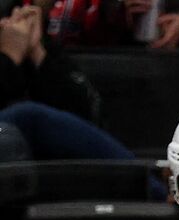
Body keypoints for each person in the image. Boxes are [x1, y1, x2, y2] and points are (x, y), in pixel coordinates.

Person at [0, 1, 138, 163]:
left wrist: (37, 53)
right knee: (28, 117)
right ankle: (152, 185)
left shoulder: (20, 33)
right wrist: (9, 57)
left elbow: (89, 117)